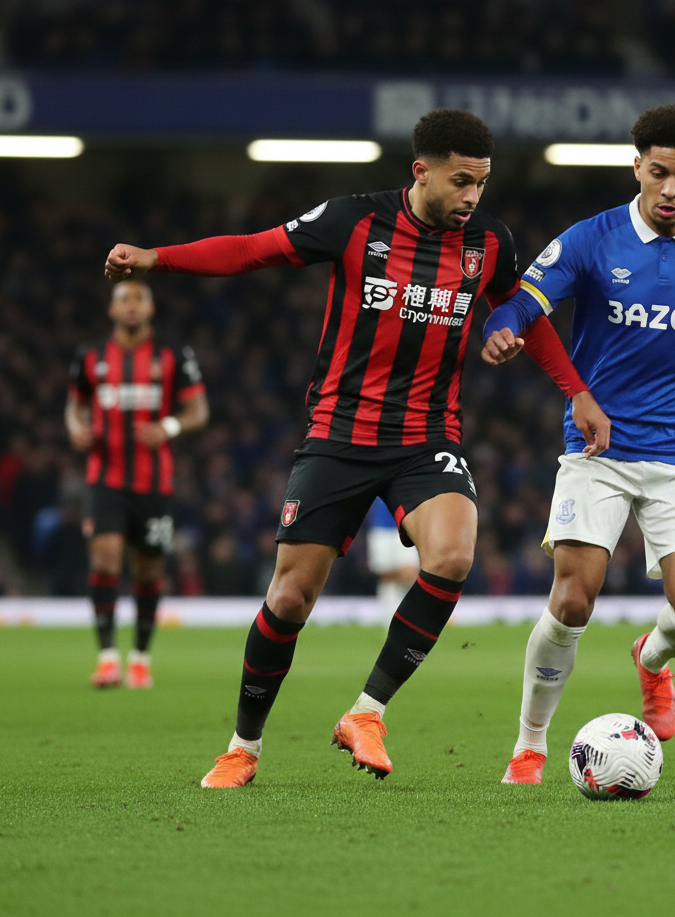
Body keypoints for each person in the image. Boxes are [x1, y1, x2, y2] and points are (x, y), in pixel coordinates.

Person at [103, 108, 609, 787]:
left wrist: (574, 390)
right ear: (420, 170)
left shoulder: (490, 242)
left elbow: (523, 310)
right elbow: (253, 248)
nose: (471, 198)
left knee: (455, 554)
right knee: (288, 600)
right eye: (461, 181)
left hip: (428, 434)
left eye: (481, 185)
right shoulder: (353, 222)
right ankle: (243, 747)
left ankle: (366, 712)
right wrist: (158, 259)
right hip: (339, 434)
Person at [481, 104, 675, 784]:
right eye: (658, 173)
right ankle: (530, 744)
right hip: (598, 449)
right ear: (637, 168)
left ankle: (650, 661)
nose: (670, 190)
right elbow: (523, 301)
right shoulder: (592, 240)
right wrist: (503, 328)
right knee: (572, 599)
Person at [66, 280, 209, 689]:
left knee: (148, 570)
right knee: (105, 560)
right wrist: (77, 428)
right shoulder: (90, 356)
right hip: (104, 479)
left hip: (153, 482)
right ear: (112, 311)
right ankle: (108, 658)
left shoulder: (173, 355)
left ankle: (141, 658)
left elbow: (199, 409)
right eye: (124, 300)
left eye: (139, 299)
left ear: (150, 309)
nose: (131, 306)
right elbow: (74, 404)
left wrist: (168, 425)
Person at [366, 499, 420, 619]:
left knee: (410, 573)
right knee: (387, 575)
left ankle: (419, 613)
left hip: (406, 525)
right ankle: (392, 616)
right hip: (380, 528)